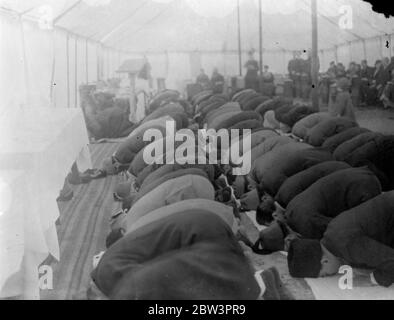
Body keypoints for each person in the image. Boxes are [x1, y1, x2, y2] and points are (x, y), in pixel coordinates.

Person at [287, 191, 394, 288]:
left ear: (325, 261)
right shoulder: (332, 234)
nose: (332, 275)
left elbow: (391, 259)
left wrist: (373, 279)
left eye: (325, 274)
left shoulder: (347, 245)